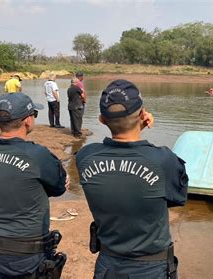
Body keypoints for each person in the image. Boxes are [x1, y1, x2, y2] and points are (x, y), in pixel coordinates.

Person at [76, 79, 188, 279]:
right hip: (151, 268)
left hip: (107, 265)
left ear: (101, 119)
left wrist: (135, 130)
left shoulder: (85, 157)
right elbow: (176, 198)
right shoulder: (163, 160)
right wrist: (139, 130)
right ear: (143, 113)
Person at [0, 92, 69, 278]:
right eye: (34, 114)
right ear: (27, 121)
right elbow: (59, 187)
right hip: (27, 253)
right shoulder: (37, 155)